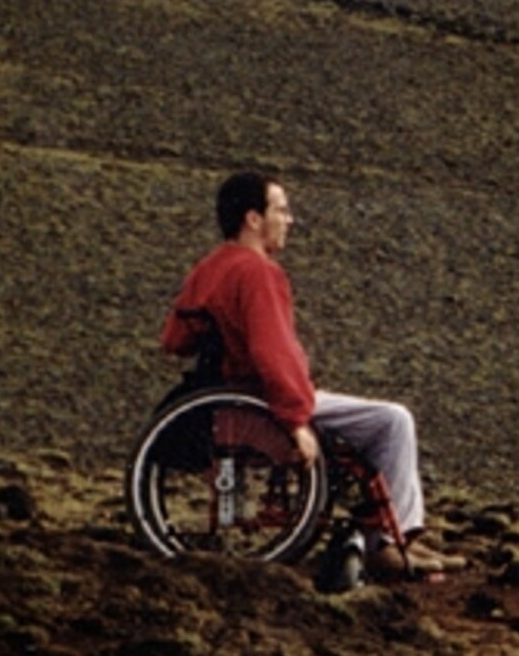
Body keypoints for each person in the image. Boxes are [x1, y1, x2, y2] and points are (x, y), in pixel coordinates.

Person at [162, 170, 450, 579]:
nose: (290, 219)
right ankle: (389, 543)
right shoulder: (258, 272)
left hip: (227, 400)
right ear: (253, 219)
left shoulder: (210, 269)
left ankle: (399, 535)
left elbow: (175, 339)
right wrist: (296, 421)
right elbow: (272, 351)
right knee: (392, 422)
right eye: (281, 209)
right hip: (263, 401)